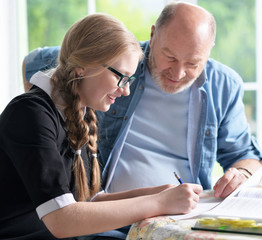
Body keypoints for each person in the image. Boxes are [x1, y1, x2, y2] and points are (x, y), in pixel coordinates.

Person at [23, 1, 262, 237]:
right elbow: (33, 63)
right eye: (170, 57)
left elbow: (247, 156)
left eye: (193, 64)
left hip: (180, 220)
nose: (178, 73)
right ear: (153, 35)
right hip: (102, 222)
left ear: (208, 53)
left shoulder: (224, 85)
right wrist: (53, 127)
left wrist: (241, 173)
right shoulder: (116, 60)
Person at [0, 13, 203, 240]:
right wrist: (158, 202)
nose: (125, 90)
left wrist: (159, 192)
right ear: (84, 67)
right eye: (121, 77)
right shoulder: (30, 114)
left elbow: (89, 201)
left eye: (130, 80)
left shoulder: (80, 111)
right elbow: (62, 219)